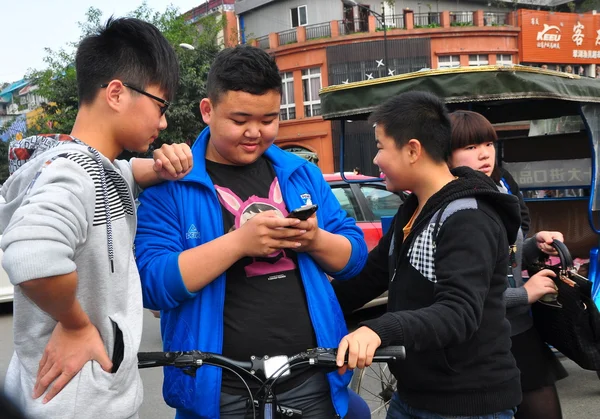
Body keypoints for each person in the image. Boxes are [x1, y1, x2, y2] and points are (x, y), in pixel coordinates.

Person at [134, 44, 368, 419]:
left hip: (312, 379)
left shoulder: (299, 173)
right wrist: (238, 244)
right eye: (240, 119)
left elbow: (353, 257)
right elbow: (152, 284)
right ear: (207, 110)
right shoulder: (174, 184)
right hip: (217, 388)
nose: (255, 133)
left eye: (269, 119)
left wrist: (314, 240)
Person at [0, 17, 193, 419]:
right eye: (160, 104)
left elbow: (124, 173)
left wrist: (162, 165)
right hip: (74, 405)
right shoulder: (74, 173)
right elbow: (32, 258)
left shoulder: (90, 167)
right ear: (118, 93)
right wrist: (75, 325)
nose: (163, 122)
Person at [333, 91, 522, 419]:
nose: (375, 160)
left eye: (380, 147)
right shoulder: (412, 211)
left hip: (467, 403)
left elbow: (459, 312)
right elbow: (367, 279)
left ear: (412, 150)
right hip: (412, 396)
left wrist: (380, 329)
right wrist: (303, 307)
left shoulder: (468, 216)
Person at [447, 110, 568, 419]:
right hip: (480, 338)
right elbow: (464, 294)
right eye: (471, 147)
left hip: (518, 327)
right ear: (446, 154)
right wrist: (524, 294)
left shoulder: (499, 187)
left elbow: (505, 256)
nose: (484, 153)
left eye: (488, 143)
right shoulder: (453, 207)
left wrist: (533, 244)